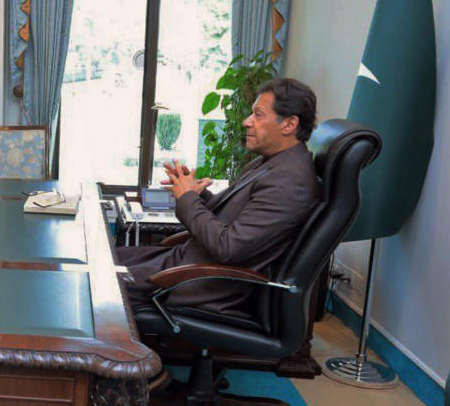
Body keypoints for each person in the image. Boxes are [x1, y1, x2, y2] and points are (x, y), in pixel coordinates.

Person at [119, 78, 319, 316]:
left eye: (258, 115)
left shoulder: (289, 182)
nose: (247, 122)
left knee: (96, 282)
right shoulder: (271, 163)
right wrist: (196, 193)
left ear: (288, 124)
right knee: (102, 258)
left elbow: (228, 246)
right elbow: (234, 218)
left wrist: (188, 199)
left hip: (196, 282)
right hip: (186, 260)